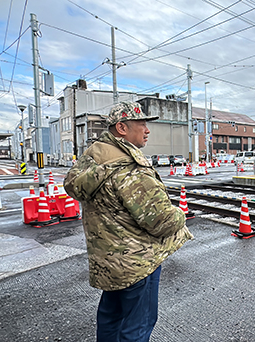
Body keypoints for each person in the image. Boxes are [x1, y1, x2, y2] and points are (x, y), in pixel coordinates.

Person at [64, 101, 193, 342]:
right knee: (138, 325)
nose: (147, 130)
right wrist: (180, 214)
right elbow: (161, 220)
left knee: (111, 318)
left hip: (108, 260)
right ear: (122, 128)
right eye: (142, 123)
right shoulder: (129, 168)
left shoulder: (93, 159)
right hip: (136, 261)